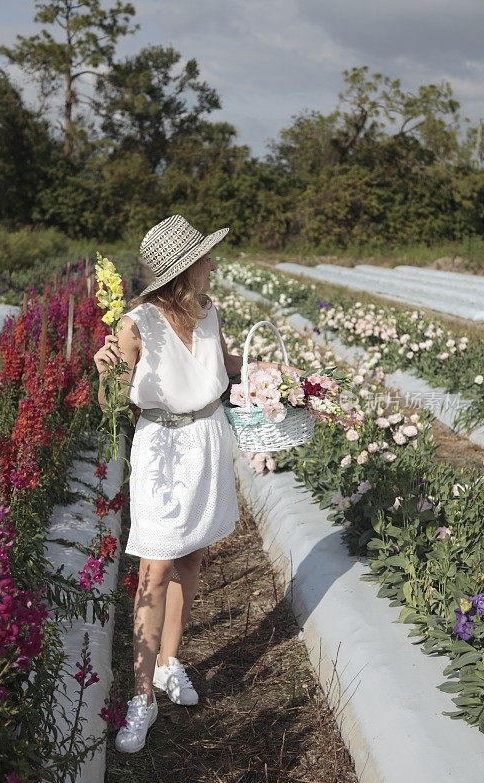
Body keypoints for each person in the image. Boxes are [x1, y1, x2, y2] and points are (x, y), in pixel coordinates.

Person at [93, 214, 303, 754]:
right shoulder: (137, 322)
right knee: (155, 567)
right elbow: (115, 396)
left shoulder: (209, 313)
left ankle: (168, 664)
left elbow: (225, 363)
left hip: (208, 440)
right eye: (204, 260)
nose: (212, 266)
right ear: (184, 270)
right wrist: (107, 368)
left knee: (191, 558)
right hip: (163, 447)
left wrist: (275, 376)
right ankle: (142, 697)